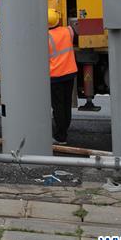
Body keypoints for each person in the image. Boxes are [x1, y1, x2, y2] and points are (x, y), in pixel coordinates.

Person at [47, 9, 78, 145]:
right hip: (70, 73)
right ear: (58, 20)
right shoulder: (68, 31)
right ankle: (64, 132)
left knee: (58, 107)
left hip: (55, 75)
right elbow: (75, 34)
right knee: (66, 105)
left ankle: (60, 137)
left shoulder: (46, 37)